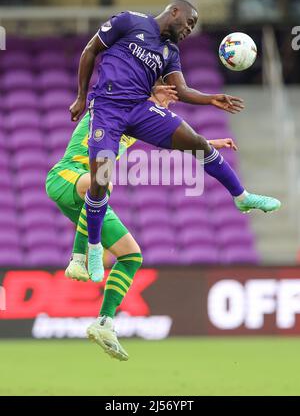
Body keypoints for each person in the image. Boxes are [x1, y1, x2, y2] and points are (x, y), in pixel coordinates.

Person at [69, 0, 281, 345]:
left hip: (139, 110)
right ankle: (94, 248)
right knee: (102, 180)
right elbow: (90, 50)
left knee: (196, 141)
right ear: (176, 12)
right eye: (190, 22)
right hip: (106, 110)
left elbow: (181, 91)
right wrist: (80, 97)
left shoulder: (169, 52)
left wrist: (211, 98)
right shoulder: (128, 22)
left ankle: (241, 197)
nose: (189, 29)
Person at [46, 84, 238, 360]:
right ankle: (78, 256)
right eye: (170, 97)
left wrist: (209, 144)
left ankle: (104, 322)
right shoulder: (111, 106)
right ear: (156, 88)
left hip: (90, 198)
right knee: (103, 180)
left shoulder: (137, 121)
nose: (170, 105)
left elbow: (173, 141)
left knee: (131, 255)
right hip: (66, 177)